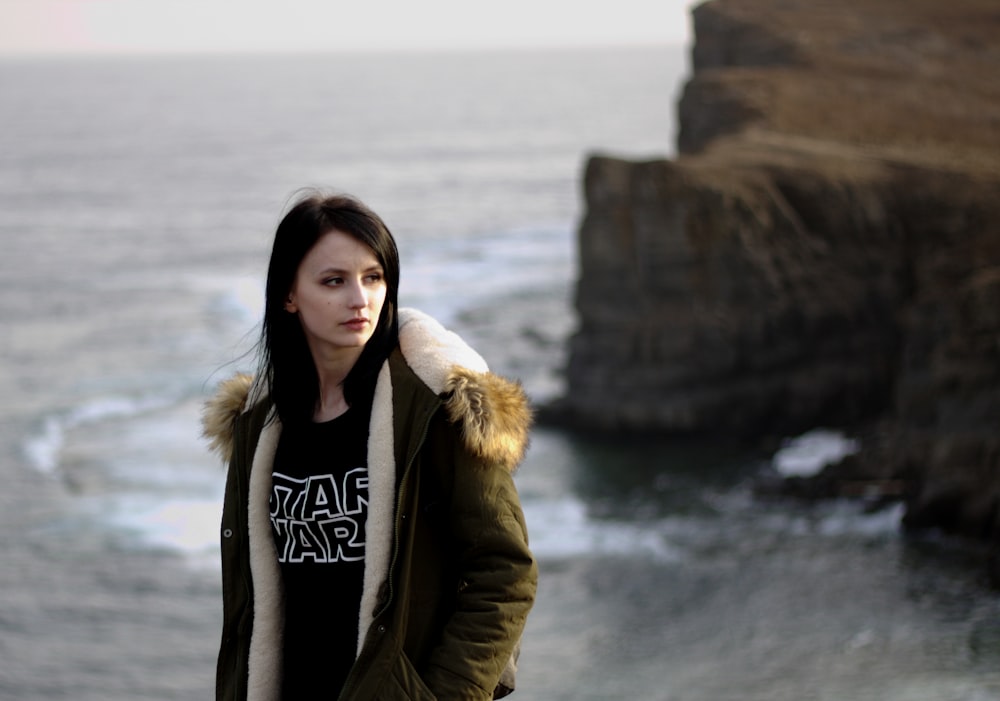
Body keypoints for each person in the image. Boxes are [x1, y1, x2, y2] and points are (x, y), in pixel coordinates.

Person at [202, 191, 537, 701]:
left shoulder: (434, 409)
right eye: (334, 281)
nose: (360, 299)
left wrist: (445, 695)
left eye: (373, 277)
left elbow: (504, 572)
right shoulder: (258, 425)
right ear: (289, 295)